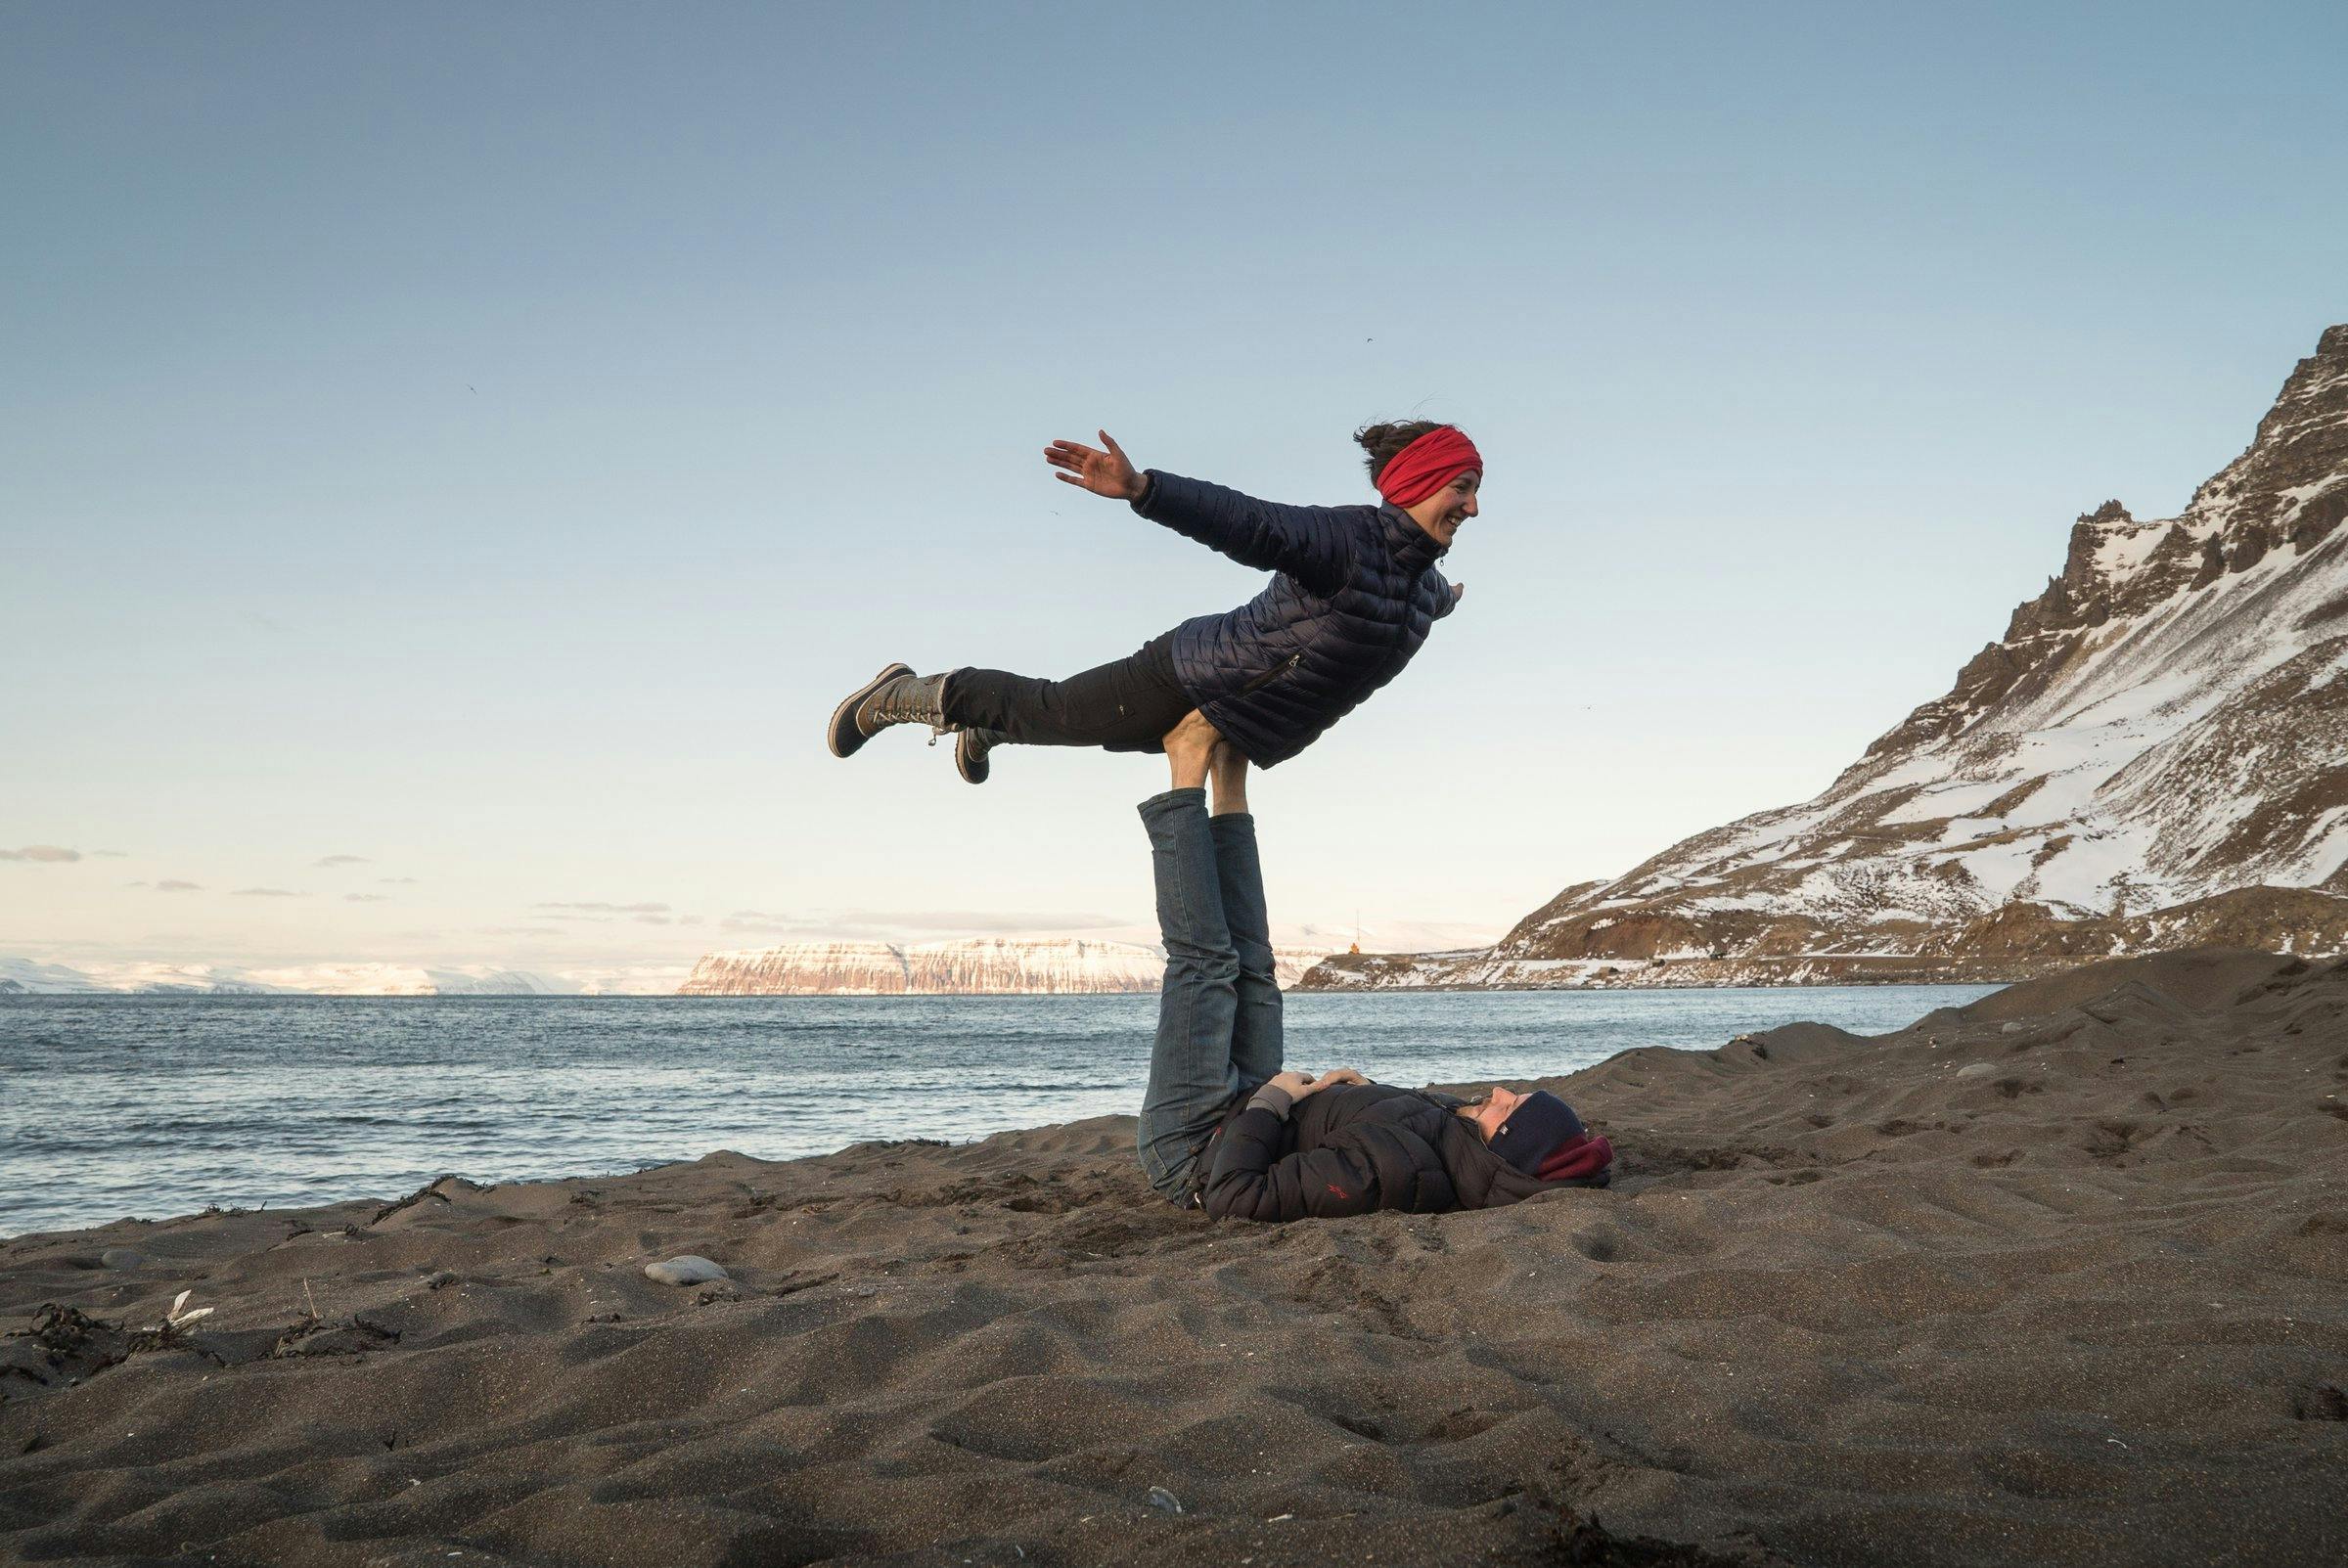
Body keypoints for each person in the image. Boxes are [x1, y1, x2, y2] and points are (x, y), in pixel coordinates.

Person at [1137, 712, 1614, 1221]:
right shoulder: (1460, 1136)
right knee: (1254, 967)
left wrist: (1273, 1100)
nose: (1499, 1092)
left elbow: (1234, 1198)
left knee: (1204, 966)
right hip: (1249, 1113)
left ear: (1503, 1144)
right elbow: (1399, 1129)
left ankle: (1185, 767)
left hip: (1194, 1146)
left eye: (1509, 1107)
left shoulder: (1395, 1178)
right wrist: (1355, 1097)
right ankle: (1229, 777)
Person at [826, 422, 1480, 784]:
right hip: (1192, 675)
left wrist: (1444, 599)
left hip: (1234, 710)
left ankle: (989, 727)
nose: (1473, 506)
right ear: (1418, 483)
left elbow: (1405, 604)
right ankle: (903, 692)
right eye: (1462, 486)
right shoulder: (1344, 541)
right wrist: (1144, 489)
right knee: (1055, 709)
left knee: (1072, 726)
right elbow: (1249, 522)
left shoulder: (1421, 589)